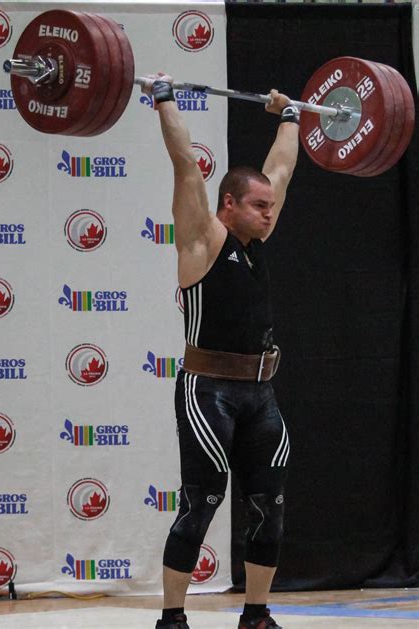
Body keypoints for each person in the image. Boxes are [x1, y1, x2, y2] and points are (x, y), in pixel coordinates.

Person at [141, 73, 299, 629]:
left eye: (272, 207)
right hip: (207, 391)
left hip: (261, 393)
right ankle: (173, 619)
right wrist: (164, 97)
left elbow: (279, 168)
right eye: (259, 206)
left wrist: (292, 115)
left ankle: (256, 614)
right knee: (201, 500)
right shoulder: (203, 240)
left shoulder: (258, 239)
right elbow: (186, 165)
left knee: (269, 505)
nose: (269, 213)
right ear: (229, 204)